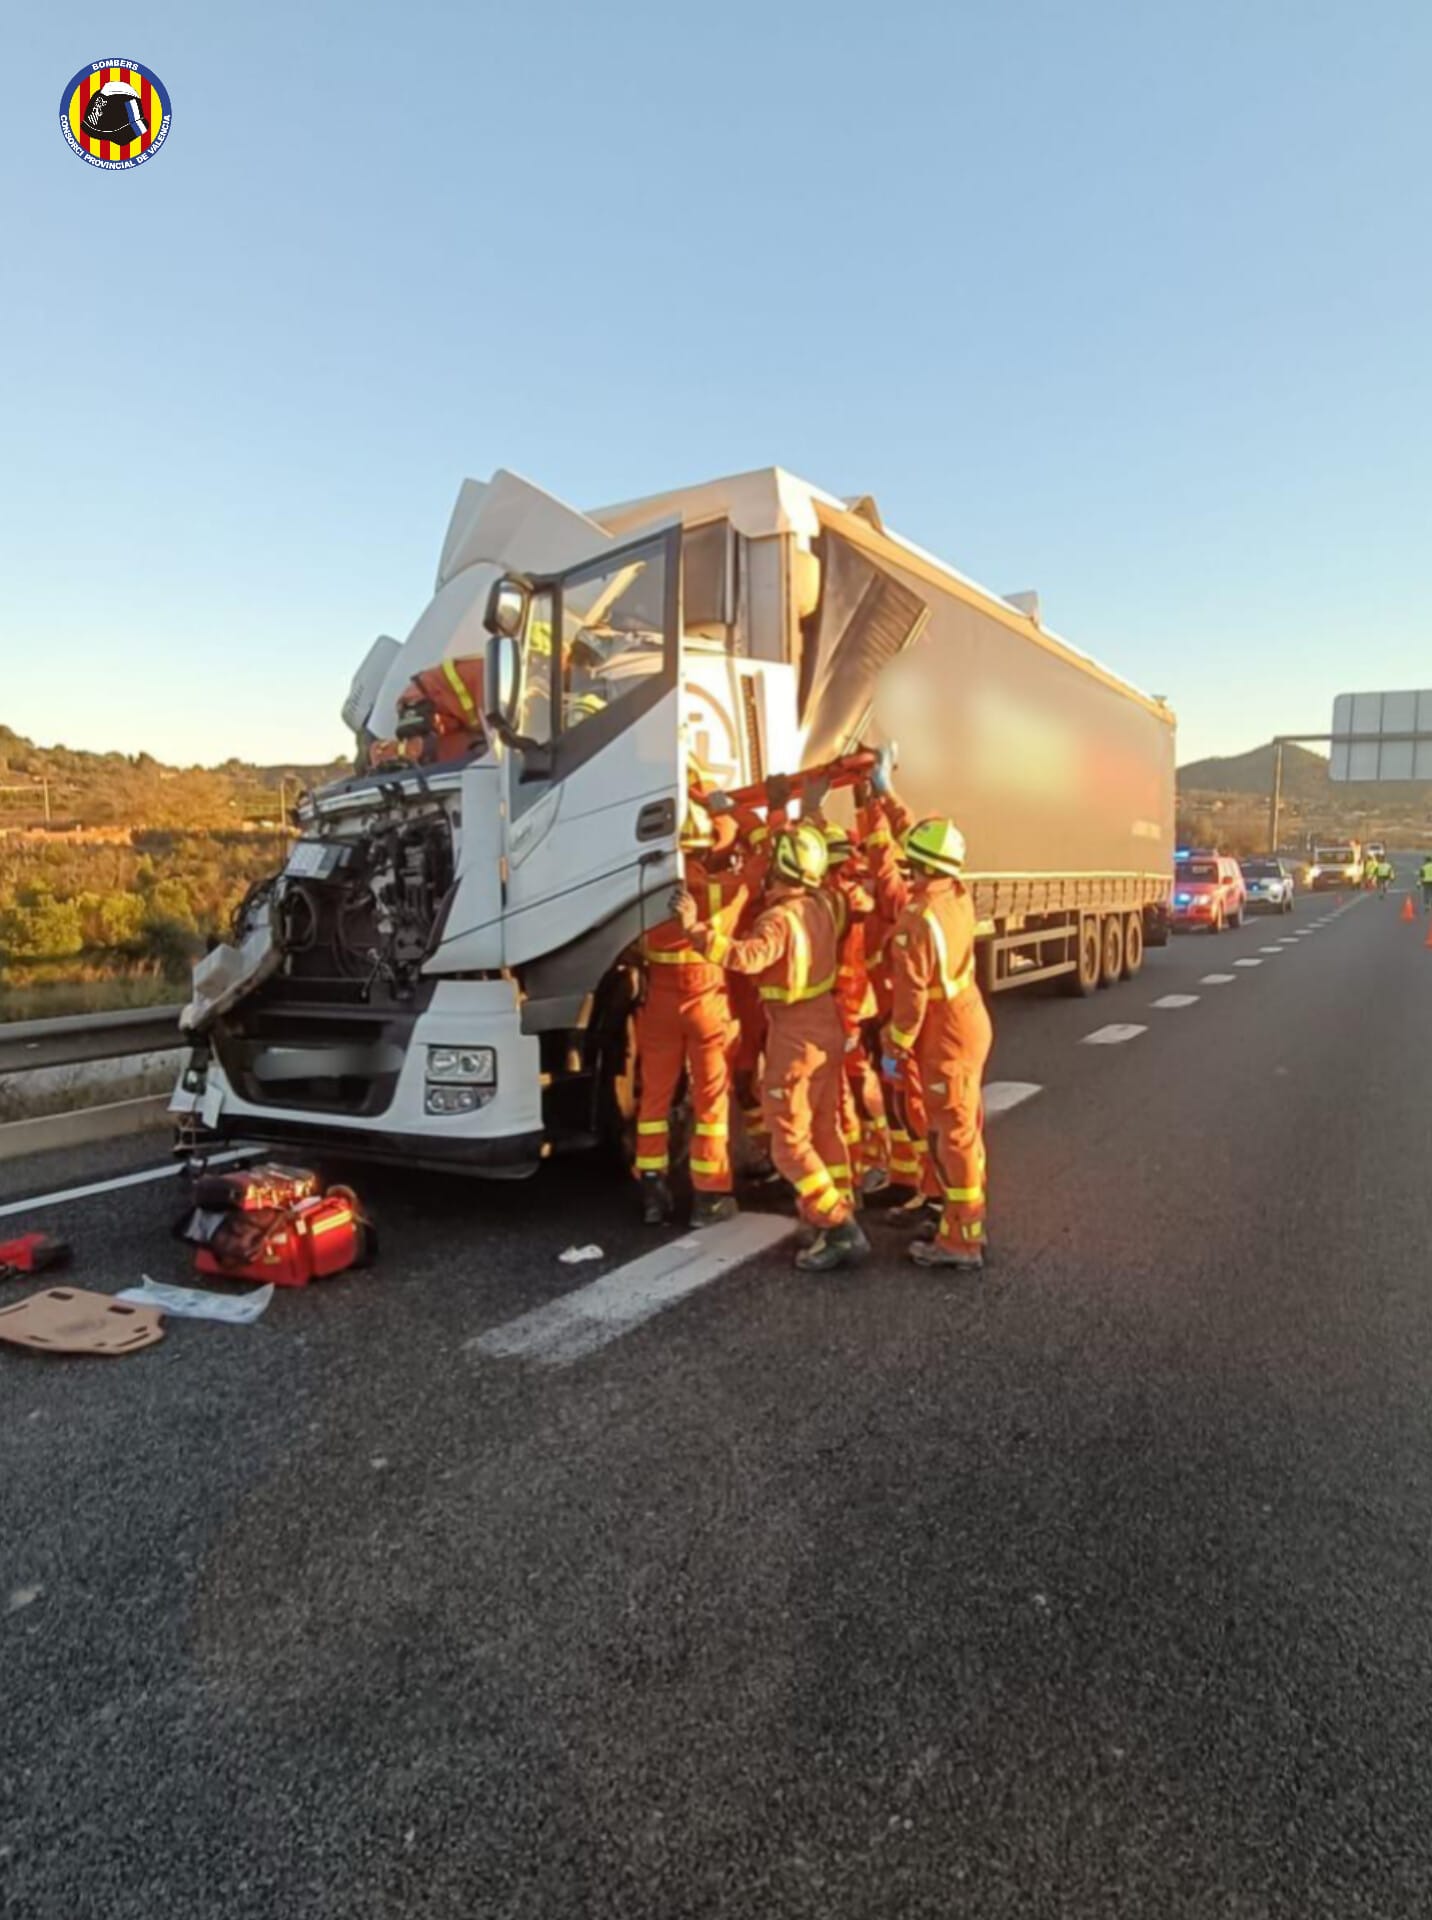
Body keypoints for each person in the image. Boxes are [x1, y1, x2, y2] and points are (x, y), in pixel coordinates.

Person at [673, 819, 869, 1273]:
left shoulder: (778, 920)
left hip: (794, 1033)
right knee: (825, 1129)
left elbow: (746, 957)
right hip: (826, 1024)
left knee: (789, 1143)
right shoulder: (823, 905)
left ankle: (838, 1227)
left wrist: (695, 928)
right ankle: (836, 1208)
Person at [633, 799, 750, 1229]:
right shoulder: (724, 891)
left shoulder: (644, 889)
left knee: (655, 1097)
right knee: (710, 1098)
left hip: (661, 998)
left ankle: (651, 1189)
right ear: (706, 848)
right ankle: (709, 1197)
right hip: (707, 1000)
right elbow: (759, 859)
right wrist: (728, 813)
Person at [885, 817, 993, 1272]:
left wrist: (895, 1047)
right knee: (963, 1129)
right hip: (967, 1015)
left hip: (942, 1028)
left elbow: (910, 998)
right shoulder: (957, 894)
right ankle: (959, 1222)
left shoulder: (917, 918)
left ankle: (963, 1242)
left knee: (951, 1137)